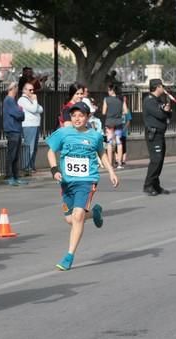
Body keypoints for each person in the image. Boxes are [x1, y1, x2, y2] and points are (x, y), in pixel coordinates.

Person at [46, 102, 119, 271]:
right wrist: (54, 170)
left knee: (78, 216)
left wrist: (111, 172)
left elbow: (101, 153)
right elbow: (50, 152)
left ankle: (69, 256)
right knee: (70, 219)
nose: (77, 119)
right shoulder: (63, 133)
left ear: (87, 117)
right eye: (74, 116)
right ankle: (94, 213)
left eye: (81, 115)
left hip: (87, 181)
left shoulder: (95, 136)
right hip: (67, 182)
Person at [142, 79, 171, 196]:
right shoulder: (149, 101)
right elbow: (160, 114)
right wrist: (165, 111)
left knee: (160, 160)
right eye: (162, 86)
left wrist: (166, 110)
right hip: (153, 134)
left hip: (160, 133)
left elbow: (169, 114)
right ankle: (148, 185)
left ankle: (155, 185)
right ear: (157, 87)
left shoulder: (158, 100)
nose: (163, 88)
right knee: (156, 160)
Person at [2, 82, 26, 185]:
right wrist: (21, 111)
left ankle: (16, 176)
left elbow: (20, 114)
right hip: (12, 129)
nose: (17, 90)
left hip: (15, 129)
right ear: (13, 88)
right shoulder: (9, 100)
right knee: (12, 154)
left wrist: (21, 112)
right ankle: (10, 176)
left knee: (16, 155)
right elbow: (18, 114)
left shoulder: (12, 101)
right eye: (17, 88)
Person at [17, 82, 43, 175]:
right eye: (30, 90)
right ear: (24, 90)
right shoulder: (22, 100)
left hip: (35, 124)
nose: (32, 91)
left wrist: (34, 104)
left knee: (34, 147)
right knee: (29, 147)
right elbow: (33, 109)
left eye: (33, 89)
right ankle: (26, 167)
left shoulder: (31, 99)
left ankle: (31, 165)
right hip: (28, 125)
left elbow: (40, 109)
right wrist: (35, 101)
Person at [102, 84, 128, 169]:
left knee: (109, 142)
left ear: (111, 90)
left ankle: (110, 163)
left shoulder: (106, 99)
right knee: (119, 142)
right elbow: (126, 111)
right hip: (118, 122)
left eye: (109, 90)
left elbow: (103, 112)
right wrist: (119, 113)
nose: (108, 92)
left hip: (109, 122)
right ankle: (119, 163)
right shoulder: (121, 99)